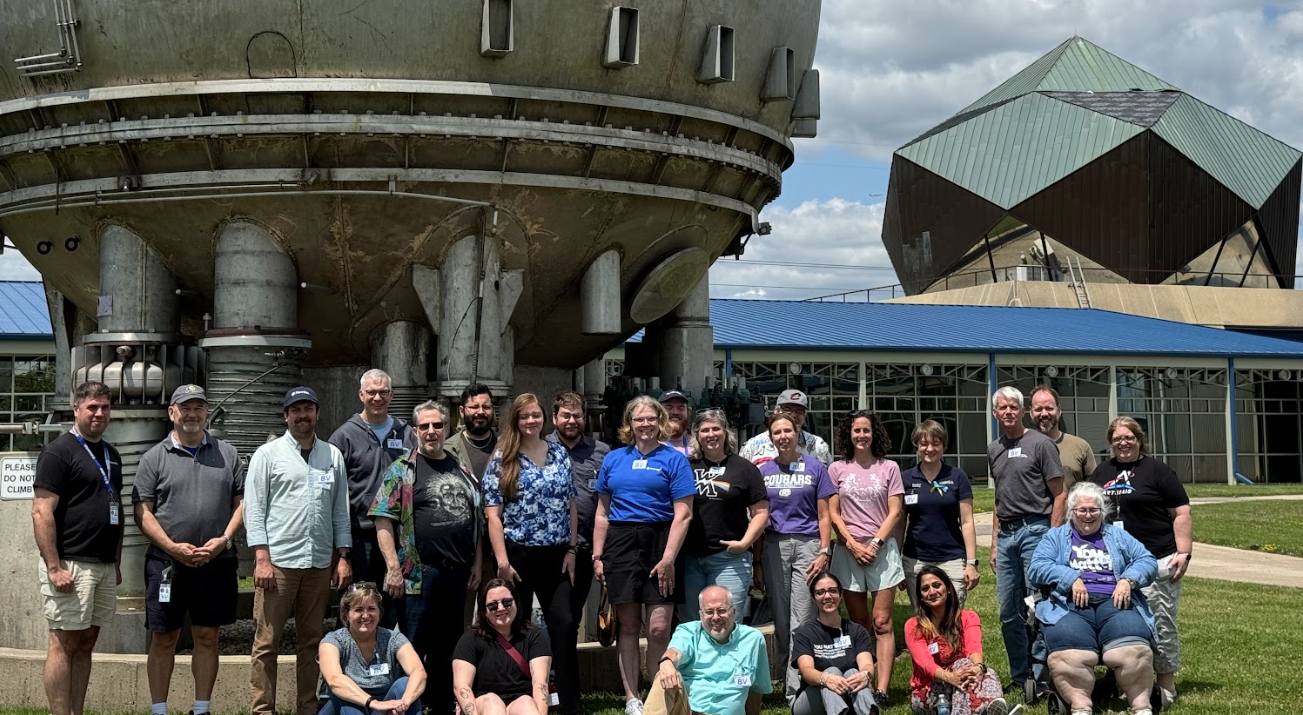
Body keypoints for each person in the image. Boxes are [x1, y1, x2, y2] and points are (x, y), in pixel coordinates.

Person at [133, 385, 245, 715]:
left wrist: (223, 540)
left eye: (198, 407)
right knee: (164, 637)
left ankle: (202, 708)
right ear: (172, 413)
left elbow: (242, 505)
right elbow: (143, 511)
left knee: (208, 636)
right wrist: (170, 547)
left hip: (217, 561)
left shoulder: (228, 454)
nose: (192, 414)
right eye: (185, 408)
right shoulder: (153, 457)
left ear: (206, 412)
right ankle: (159, 710)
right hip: (166, 564)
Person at [245, 386, 353, 715]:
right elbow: (254, 509)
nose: (302, 415)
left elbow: (340, 510)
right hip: (278, 563)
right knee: (266, 643)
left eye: (308, 409)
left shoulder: (331, 455)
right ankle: (263, 710)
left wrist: (343, 556)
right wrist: (261, 558)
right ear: (286, 416)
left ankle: (307, 708)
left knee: (311, 642)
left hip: (319, 563)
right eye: (296, 410)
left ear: (318, 414)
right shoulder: (268, 455)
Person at [370, 399, 482, 715]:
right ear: (416, 430)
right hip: (419, 574)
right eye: (424, 426)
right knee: (413, 647)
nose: (431, 431)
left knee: (450, 646)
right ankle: (407, 707)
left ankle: (442, 706)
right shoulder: (402, 469)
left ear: (446, 428)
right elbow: (382, 519)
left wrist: (475, 563)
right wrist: (393, 567)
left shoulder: (461, 467)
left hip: (457, 573)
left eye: (437, 425)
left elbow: (477, 521)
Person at [592, 396, 696, 715]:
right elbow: (601, 513)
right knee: (627, 624)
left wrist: (667, 558)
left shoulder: (675, 459)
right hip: (621, 541)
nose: (645, 424)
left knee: (659, 627)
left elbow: (684, 513)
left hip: (660, 539)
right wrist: (598, 556)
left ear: (660, 422)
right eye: (639, 419)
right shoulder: (614, 458)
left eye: (651, 418)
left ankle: (656, 695)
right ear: (630, 424)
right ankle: (631, 698)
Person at [32, 381, 124, 715]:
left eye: (105, 407)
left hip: (100, 565)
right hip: (70, 563)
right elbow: (42, 511)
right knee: (64, 642)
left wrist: (115, 562)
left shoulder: (111, 454)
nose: (99, 413)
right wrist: (54, 567)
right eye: (92, 407)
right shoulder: (60, 451)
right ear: (76, 409)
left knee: (86, 643)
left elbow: (116, 507)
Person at [483, 394, 579, 713]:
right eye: (524, 417)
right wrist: (502, 563)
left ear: (543, 418)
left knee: (564, 624)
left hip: (556, 554)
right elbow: (493, 515)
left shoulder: (559, 453)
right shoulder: (503, 458)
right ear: (516, 420)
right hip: (517, 556)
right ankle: (520, 697)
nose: (531, 421)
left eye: (536, 415)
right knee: (515, 626)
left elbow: (571, 504)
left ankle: (568, 701)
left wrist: (571, 548)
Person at [1029, 482, 1158, 715]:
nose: (1088, 515)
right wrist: (1069, 577)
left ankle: (1141, 706)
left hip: (1116, 601)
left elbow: (1147, 560)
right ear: (1072, 512)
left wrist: (1128, 580)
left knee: (1133, 650)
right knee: (1070, 655)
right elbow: (1037, 567)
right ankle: (1080, 706)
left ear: (1102, 512)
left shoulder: (1118, 535)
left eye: (1093, 510)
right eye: (1082, 510)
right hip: (1068, 605)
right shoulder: (1055, 537)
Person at [1091, 417, 1191, 706]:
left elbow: (1181, 512)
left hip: (1158, 559)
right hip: (1116, 566)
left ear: (1139, 439)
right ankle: (1134, 682)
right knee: (1126, 623)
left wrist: (1183, 552)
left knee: (1160, 622)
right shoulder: (1102, 472)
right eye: (1117, 438)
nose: (1123, 443)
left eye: (1129, 437)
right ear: (1110, 443)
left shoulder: (1157, 470)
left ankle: (1165, 683)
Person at [987, 386, 1065, 694]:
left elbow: (1060, 494)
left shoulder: (1041, 444)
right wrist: (994, 543)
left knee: (1039, 606)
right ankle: (1020, 676)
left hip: (1037, 531)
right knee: (1009, 611)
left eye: (1013, 407)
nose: (1007, 412)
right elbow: (998, 498)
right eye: (1002, 408)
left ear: (1023, 411)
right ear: (995, 414)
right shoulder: (994, 449)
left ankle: (1041, 673)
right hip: (1006, 535)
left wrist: (1053, 534)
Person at [754, 410, 836, 702]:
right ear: (771, 437)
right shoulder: (763, 472)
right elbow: (759, 519)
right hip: (774, 546)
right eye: (777, 432)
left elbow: (825, 515)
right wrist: (757, 560)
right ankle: (788, 676)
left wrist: (824, 550)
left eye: (787, 431)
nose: (783, 437)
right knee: (780, 617)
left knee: (802, 617)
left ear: (796, 433)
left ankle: (795, 690)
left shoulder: (815, 468)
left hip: (808, 545)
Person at [827, 410, 904, 703]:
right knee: (858, 622)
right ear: (849, 435)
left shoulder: (889, 468)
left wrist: (874, 544)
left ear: (875, 434)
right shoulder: (836, 469)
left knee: (882, 621)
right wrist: (852, 544)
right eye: (856, 430)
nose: (861, 435)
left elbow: (895, 510)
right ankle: (863, 682)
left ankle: (882, 688)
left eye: (866, 430)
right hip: (848, 552)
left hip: (881, 552)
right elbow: (833, 513)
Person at [329, 369, 416, 628]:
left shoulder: (407, 434)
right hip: (361, 537)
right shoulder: (343, 436)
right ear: (361, 395)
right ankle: (345, 663)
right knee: (357, 605)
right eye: (372, 392)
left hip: (399, 536)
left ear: (392, 395)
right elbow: (333, 494)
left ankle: (385, 663)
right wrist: (341, 550)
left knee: (389, 604)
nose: (377, 398)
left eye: (383, 392)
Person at [546, 391, 610, 715]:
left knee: (568, 624)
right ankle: (551, 688)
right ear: (554, 417)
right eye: (565, 416)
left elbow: (609, 501)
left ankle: (565, 691)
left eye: (577, 416)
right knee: (548, 623)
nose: (572, 421)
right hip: (546, 550)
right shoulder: (539, 447)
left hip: (584, 551)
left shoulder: (602, 452)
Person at [683, 409, 769, 619]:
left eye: (716, 428)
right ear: (696, 436)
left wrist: (744, 544)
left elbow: (761, 512)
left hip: (729, 559)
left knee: (726, 621)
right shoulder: (685, 467)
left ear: (725, 432)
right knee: (692, 624)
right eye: (704, 430)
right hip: (690, 559)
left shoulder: (744, 469)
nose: (711, 434)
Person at [646, 585, 772, 715]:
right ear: (701, 615)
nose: (716, 617)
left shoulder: (753, 639)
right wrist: (667, 661)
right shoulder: (688, 632)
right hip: (688, 711)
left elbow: (756, 689)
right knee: (665, 674)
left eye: (721, 610)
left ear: (734, 612)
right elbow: (676, 651)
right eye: (709, 612)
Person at [905, 567, 1014, 715]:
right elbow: (925, 664)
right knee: (964, 668)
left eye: (936, 585)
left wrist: (977, 667)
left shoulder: (968, 617)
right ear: (921, 597)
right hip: (930, 689)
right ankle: (988, 709)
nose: (931, 592)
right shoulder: (914, 626)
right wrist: (949, 677)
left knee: (984, 672)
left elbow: (974, 647)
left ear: (948, 589)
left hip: (963, 680)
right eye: (925, 589)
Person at [901, 420, 979, 609]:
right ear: (916, 445)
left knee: (951, 617)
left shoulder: (957, 476)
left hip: (951, 559)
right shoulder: (906, 479)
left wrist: (971, 563)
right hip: (916, 560)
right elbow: (899, 524)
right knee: (923, 619)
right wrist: (897, 565)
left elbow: (967, 522)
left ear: (943, 446)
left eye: (936, 443)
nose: (930, 449)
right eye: (924, 444)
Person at [319, 582, 426, 715]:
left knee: (404, 684)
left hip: (384, 709)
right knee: (346, 696)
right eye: (358, 609)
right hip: (346, 707)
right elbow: (335, 680)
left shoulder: (393, 639)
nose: (365, 615)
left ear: (379, 612)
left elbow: (418, 672)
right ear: (346, 613)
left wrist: (403, 704)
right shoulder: (333, 641)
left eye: (371, 609)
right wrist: (373, 703)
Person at [452, 579, 553, 715]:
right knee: (492, 703)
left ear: (516, 602)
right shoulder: (470, 639)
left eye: (507, 602)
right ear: (484, 610)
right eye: (493, 606)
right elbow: (462, 686)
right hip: (483, 703)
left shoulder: (534, 636)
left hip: (521, 701)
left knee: (526, 703)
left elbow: (540, 683)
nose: (501, 608)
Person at [791, 573, 878, 715]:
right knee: (832, 672)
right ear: (813, 598)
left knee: (855, 673)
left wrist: (866, 675)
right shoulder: (805, 633)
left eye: (832, 590)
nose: (827, 596)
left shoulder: (857, 631)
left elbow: (867, 665)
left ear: (841, 594)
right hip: (811, 703)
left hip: (850, 695)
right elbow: (806, 671)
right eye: (820, 592)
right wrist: (826, 679)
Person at [740, 389, 833, 466]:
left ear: (804, 417)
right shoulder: (752, 446)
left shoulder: (817, 445)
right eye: (788, 410)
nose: (793, 415)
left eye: (799, 411)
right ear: (776, 411)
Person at [1029, 386, 1096, 489]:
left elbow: (1093, 489)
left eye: (1049, 408)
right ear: (1031, 413)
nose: (1044, 414)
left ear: (1059, 410)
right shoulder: (1023, 448)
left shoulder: (1080, 447)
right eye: (1038, 409)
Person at [446, 382, 499, 481]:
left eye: (486, 407)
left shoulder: (506, 446)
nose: (481, 412)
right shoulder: (448, 450)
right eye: (474, 407)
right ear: (462, 411)